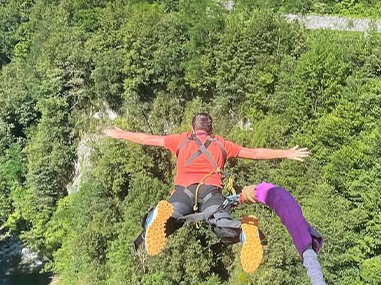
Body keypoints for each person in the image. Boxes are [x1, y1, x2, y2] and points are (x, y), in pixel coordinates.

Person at [103, 112, 310, 273]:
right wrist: (286, 153)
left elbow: (149, 139)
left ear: (193, 129)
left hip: (183, 190)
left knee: (172, 217)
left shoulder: (181, 139)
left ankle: (155, 218)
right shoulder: (222, 143)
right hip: (211, 191)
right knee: (220, 223)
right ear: (211, 129)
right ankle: (244, 230)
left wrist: (122, 134)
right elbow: (254, 153)